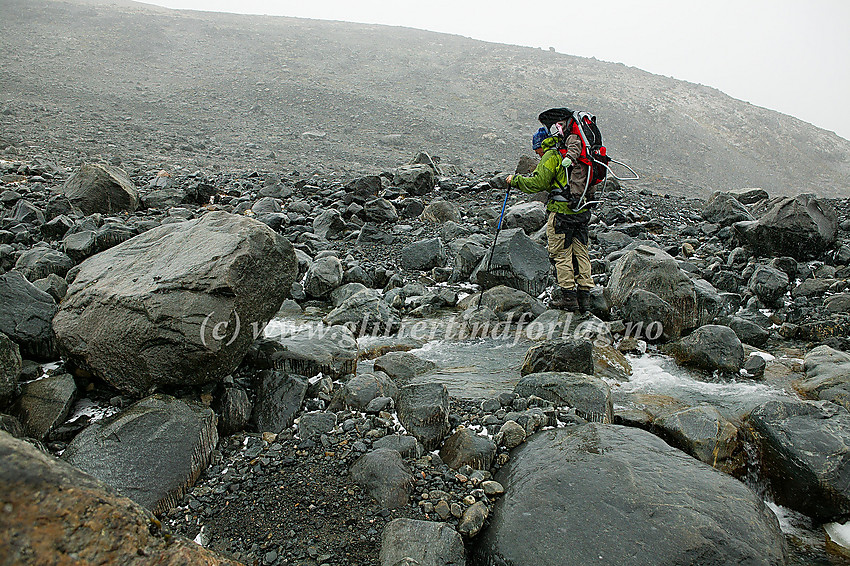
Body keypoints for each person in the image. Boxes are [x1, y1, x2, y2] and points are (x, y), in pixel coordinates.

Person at [505, 124, 593, 312]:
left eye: (535, 149)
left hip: (562, 213)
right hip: (581, 209)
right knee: (581, 252)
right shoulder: (569, 152)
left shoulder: (551, 156)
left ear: (540, 145)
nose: (536, 154)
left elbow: (539, 182)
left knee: (561, 254)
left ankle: (569, 297)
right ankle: (585, 297)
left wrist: (516, 180)